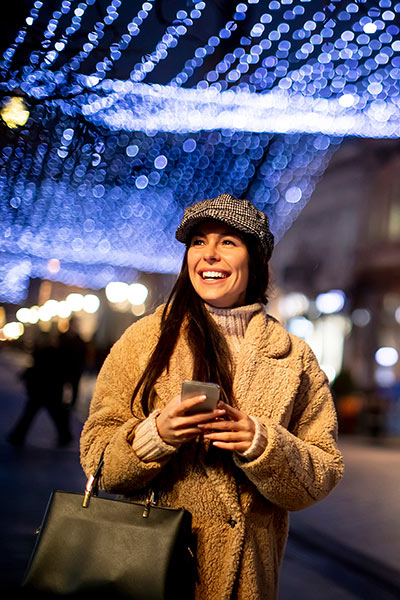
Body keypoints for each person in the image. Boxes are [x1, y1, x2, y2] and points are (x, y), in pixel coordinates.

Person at [80, 193, 344, 600]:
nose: (210, 255)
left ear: (254, 259)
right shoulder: (146, 340)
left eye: (228, 242)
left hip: (247, 581)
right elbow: (98, 459)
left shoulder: (295, 357)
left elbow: (322, 472)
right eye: (198, 242)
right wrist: (155, 436)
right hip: (151, 567)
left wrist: (263, 444)